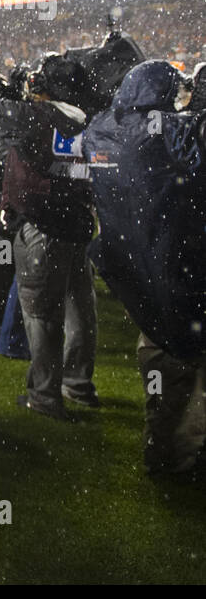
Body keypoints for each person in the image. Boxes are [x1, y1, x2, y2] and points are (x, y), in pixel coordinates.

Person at [85, 61, 206, 472]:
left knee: (157, 358)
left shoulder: (101, 128)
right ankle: (178, 457)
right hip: (178, 267)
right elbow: (192, 147)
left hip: (136, 271)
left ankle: (160, 446)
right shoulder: (162, 129)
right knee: (186, 366)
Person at [0, 63, 99, 420]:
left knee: (42, 315)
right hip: (78, 223)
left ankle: (44, 394)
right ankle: (79, 383)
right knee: (79, 309)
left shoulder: (39, 116)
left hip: (42, 227)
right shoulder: (90, 118)